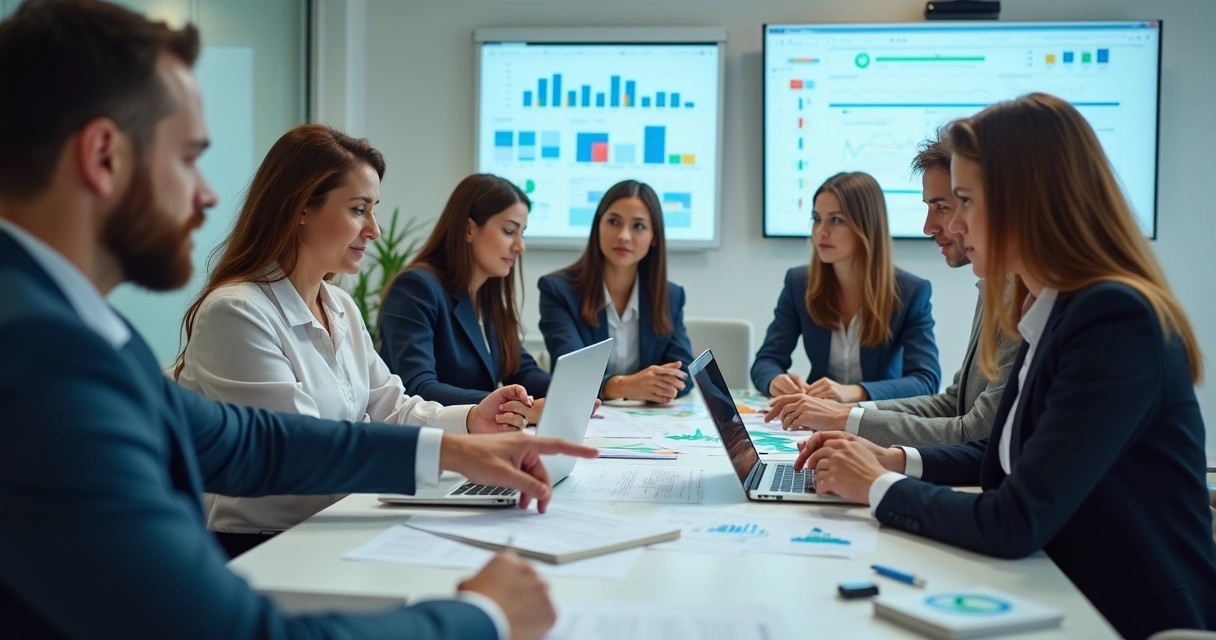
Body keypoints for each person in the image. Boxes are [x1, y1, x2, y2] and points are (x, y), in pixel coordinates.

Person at [0, 2, 596, 639]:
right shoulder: (41, 360)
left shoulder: (73, 329)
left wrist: (460, 449)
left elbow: (251, 441)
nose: (205, 194)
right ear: (104, 155)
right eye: (187, 158)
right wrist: (483, 617)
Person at [794, 93, 1216, 639]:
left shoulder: (1114, 318)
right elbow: (993, 455)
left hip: (1124, 615)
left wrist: (877, 485)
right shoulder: (1049, 308)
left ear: (1025, 201)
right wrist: (891, 457)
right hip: (1052, 585)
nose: (951, 224)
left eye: (963, 201)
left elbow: (1016, 520)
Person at [174, 124, 538, 558]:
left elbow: (391, 407)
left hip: (337, 523)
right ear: (300, 209)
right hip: (263, 547)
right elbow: (299, 452)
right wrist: (451, 453)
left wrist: (473, 418)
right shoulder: (236, 312)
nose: (374, 230)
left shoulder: (340, 306)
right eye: (358, 209)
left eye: (374, 210)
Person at [765, 136, 1019, 447]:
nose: (928, 227)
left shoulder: (914, 291)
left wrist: (848, 410)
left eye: (943, 207)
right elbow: (954, 403)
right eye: (817, 220)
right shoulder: (992, 287)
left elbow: (954, 409)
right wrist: (842, 413)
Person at [751, 171, 941, 402]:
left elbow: (925, 380)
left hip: (877, 420)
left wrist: (853, 392)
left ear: (866, 227)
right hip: (816, 414)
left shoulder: (910, 292)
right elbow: (766, 361)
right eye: (817, 219)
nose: (821, 231)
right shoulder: (799, 283)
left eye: (836, 220)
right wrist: (775, 380)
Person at [379, 174, 552, 414]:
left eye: (522, 233)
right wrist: (518, 407)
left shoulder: (487, 296)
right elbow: (418, 387)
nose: (520, 246)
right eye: (509, 231)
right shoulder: (416, 288)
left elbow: (521, 370)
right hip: (433, 441)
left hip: (474, 438)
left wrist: (569, 392)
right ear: (469, 229)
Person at [538, 180, 693, 403]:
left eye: (638, 226)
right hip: (586, 416)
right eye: (613, 222)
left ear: (654, 237)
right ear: (597, 226)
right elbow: (572, 372)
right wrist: (624, 386)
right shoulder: (558, 290)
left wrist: (662, 385)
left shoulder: (671, 296)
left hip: (648, 421)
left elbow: (683, 370)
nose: (624, 236)